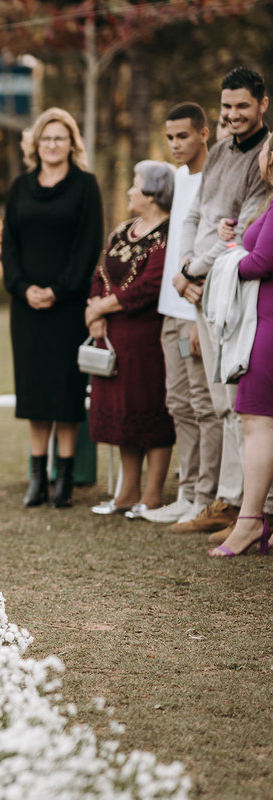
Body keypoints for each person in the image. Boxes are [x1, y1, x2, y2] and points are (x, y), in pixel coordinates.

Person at [172, 67, 272, 536]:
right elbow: (196, 214)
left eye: (242, 106)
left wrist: (192, 271)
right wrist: (186, 270)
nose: (233, 115)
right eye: (226, 106)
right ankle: (229, 500)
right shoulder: (216, 153)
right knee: (217, 400)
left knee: (240, 402)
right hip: (201, 287)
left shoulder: (266, 160)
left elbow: (245, 231)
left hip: (235, 290)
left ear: (263, 105)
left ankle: (244, 504)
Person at [2, 107, 105, 508]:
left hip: (67, 306)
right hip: (25, 307)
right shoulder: (20, 187)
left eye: (60, 138)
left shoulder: (86, 186)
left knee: (64, 390)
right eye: (46, 138)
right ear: (35, 144)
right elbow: (9, 246)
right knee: (33, 390)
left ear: (72, 144)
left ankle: (64, 477)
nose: (52, 145)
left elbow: (88, 246)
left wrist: (59, 292)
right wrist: (24, 288)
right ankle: (36, 477)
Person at [140, 105, 217, 525]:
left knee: (204, 405)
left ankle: (206, 498)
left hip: (193, 313)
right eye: (170, 137)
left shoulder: (212, 180)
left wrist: (193, 315)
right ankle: (186, 492)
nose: (175, 145)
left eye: (182, 136)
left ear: (203, 134)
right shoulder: (177, 180)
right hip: (168, 311)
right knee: (178, 404)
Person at [86, 161, 177, 517]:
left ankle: (153, 495)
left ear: (154, 193)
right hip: (111, 335)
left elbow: (149, 287)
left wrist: (100, 309)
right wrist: (93, 312)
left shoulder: (168, 235)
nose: (129, 190)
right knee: (125, 415)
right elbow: (100, 272)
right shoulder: (122, 230)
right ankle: (127, 492)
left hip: (145, 337)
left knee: (150, 410)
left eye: (136, 184)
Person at [209, 132, 273, 556]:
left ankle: (249, 521)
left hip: (269, 328)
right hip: (262, 320)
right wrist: (233, 243)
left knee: (256, 422)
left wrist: (228, 258)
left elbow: (263, 262)